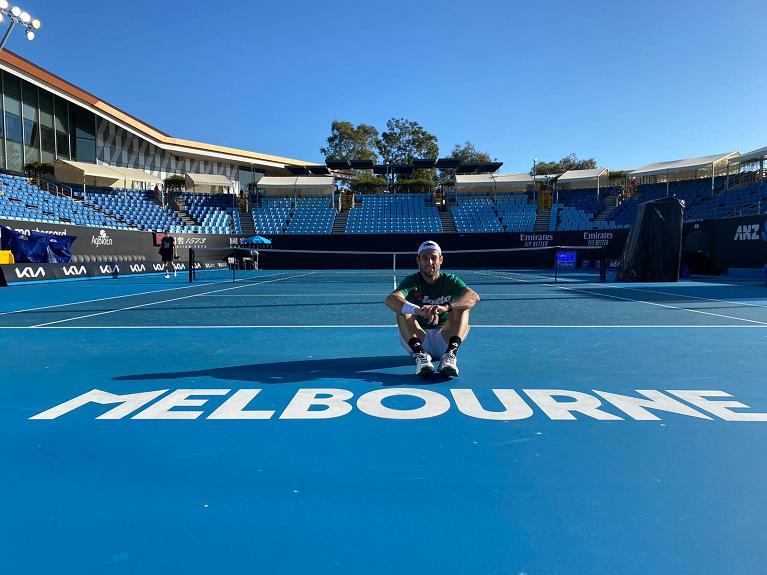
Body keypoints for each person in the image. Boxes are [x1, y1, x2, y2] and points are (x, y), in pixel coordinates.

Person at [385, 241, 480, 377]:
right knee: (402, 310)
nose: (429, 262)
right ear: (418, 260)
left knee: (463, 306)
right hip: (418, 339)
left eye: (433, 258)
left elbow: (473, 296)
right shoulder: (412, 281)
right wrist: (417, 310)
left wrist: (445, 307)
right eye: (424, 258)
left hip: (445, 339)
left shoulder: (450, 280)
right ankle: (421, 357)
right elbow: (391, 300)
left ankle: (450, 356)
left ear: (441, 259)